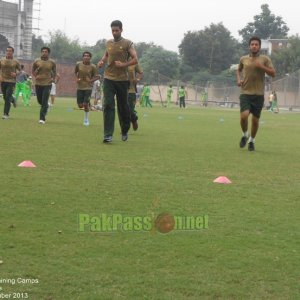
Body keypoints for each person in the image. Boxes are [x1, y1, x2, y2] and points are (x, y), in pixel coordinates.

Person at [98, 20, 138, 143]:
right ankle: (108, 135)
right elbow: (106, 55)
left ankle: (125, 129)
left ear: (121, 30)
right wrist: (101, 61)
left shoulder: (128, 43)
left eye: (117, 30)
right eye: (113, 30)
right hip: (108, 78)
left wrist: (123, 64)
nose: (114, 32)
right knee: (108, 105)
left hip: (122, 80)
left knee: (123, 107)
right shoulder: (108, 43)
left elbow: (135, 59)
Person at [237, 36, 275, 151]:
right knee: (244, 116)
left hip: (258, 95)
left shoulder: (265, 59)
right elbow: (238, 70)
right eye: (252, 44)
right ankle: (245, 134)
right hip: (245, 93)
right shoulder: (243, 59)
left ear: (259, 47)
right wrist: (239, 80)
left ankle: (252, 141)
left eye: (256, 44)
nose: (254, 46)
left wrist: (261, 67)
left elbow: (273, 73)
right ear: (249, 46)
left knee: (255, 120)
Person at [32, 47, 57, 124]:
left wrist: (52, 78)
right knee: (40, 101)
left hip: (47, 83)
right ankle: (47, 105)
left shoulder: (52, 62)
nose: (44, 53)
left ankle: (42, 119)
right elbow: (33, 71)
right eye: (42, 51)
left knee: (44, 100)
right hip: (38, 83)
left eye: (45, 51)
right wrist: (35, 75)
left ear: (48, 53)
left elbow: (54, 72)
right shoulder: (36, 61)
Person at [75, 51, 99, 126]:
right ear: (83, 57)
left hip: (88, 87)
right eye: (84, 56)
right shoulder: (78, 64)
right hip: (80, 87)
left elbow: (98, 77)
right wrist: (77, 78)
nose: (86, 57)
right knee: (80, 105)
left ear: (90, 58)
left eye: (88, 56)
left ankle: (86, 119)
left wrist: (90, 80)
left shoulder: (93, 66)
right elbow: (75, 72)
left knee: (85, 105)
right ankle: (88, 103)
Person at [0, 46, 20, 119]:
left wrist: (16, 73)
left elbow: (19, 70)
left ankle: (6, 114)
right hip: (3, 80)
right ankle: (13, 99)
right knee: (5, 97)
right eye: (7, 51)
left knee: (7, 97)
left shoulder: (15, 61)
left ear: (12, 52)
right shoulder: (2, 60)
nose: (8, 52)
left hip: (11, 81)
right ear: (6, 52)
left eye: (10, 51)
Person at [128, 61, 143, 130]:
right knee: (122, 110)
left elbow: (141, 73)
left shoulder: (134, 63)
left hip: (131, 91)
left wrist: (137, 79)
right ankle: (125, 128)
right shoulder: (119, 61)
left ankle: (134, 119)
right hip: (121, 90)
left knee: (130, 110)